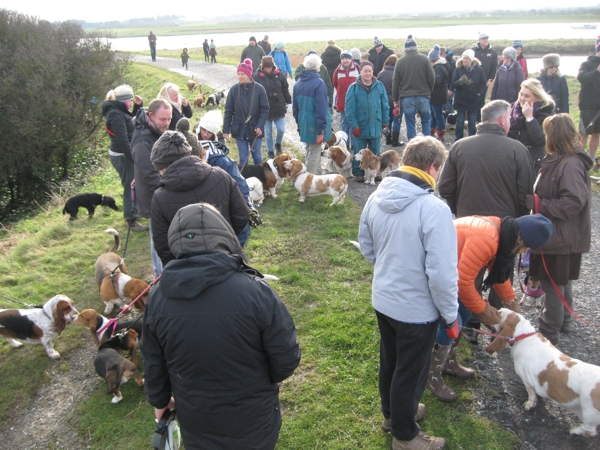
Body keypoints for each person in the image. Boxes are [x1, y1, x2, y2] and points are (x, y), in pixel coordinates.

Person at [142, 202, 300, 450]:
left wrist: (159, 401)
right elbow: (286, 357)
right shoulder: (256, 292)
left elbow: (153, 362)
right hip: (254, 421)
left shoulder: (157, 300)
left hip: (196, 422)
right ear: (224, 235)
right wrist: (272, 381)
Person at [358, 136, 457, 450]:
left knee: (391, 361)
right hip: (416, 309)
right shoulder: (434, 209)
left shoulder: (376, 196)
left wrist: (391, 269)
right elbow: (442, 276)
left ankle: (393, 415)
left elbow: (367, 246)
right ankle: (405, 436)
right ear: (432, 167)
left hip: (384, 298)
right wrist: (451, 315)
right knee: (410, 372)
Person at [426, 214, 552, 401]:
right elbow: (463, 282)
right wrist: (483, 310)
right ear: (521, 240)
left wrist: (511, 300)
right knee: (452, 321)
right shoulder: (487, 239)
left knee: (466, 310)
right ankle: (431, 374)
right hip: (435, 270)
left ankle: (448, 362)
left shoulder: (502, 234)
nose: (523, 253)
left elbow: (497, 273)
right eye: (526, 248)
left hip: (449, 273)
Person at [438, 100, 535, 344]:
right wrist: (518, 226)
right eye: (510, 120)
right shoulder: (518, 149)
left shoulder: (459, 146)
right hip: (506, 229)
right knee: (500, 274)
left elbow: (445, 186)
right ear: (502, 120)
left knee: (467, 276)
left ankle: (468, 325)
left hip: (467, 225)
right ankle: (498, 325)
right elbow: (526, 195)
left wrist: (460, 211)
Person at [527, 114, 592, 345]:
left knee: (552, 284)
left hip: (560, 235)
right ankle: (564, 322)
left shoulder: (570, 164)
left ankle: (547, 334)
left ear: (554, 136)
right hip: (560, 234)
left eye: (547, 133)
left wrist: (538, 205)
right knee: (561, 281)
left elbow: (573, 202)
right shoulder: (562, 160)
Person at [149, 131, 249, 266]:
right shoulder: (221, 176)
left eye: (159, 171)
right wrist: (224, 240)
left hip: (189, 271)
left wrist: (180, 266)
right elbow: (242, 215)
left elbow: (162, 246)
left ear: (164, 167)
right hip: (230, 261)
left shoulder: (159, 198)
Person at [131, 98, 173, 277]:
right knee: (159, 243)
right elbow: (150, 177)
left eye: (169, 119)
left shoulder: (157, 132)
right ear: (150, 116)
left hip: (164, 194)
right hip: (154, 199)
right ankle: (161, 279)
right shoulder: (142, 141)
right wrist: (174, 185)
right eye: (162, 119)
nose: (166, 123)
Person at [198, 111, 251, 247]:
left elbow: (240, 185)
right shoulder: (190, 149)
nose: (205, 134)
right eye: (203, 130)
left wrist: (245, 206)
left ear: (214, 134)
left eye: (209, 132)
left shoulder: (221, 160)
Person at [102, 85, 147, 231]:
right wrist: (134, 158)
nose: (131, 103)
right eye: (130, 100)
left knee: (132, 184)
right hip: (122, 155)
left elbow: (129, 121)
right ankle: (131, 220)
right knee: (130, 186)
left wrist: (138, 107)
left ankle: (134, 212)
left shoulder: (118, 111)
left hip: (125, 153)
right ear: (123, 101)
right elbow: (122, 141)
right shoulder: (115, 115)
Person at [345, 61, 389, 181]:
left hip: (376, 124)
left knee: (375, 150)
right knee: (359, 151)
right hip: (361, 126)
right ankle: (359, 172)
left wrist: (385, 122)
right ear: (360, 72)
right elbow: (349, 109)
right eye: (365, 71)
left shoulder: (379, 86)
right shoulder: (353, 88)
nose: (368, 73)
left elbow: (385, 105)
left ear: (373, 72)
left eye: (370, 71)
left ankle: (376, 171)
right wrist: (354, 126)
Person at [223, 59, 269, 165]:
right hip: (239, 129)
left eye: (242, 74)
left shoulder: (259, 89)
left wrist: (260, 126)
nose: (239, 76)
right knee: (243, 158)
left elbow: (265, 109)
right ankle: (244, 181)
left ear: (249, 74)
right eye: (238, 74)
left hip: (255, 129)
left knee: (257, 156)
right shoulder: (234, 90)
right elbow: (228, 111)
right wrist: (226, 130)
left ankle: (260, 180)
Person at [293, 53, 332, 174]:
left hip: (304, 121)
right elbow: (321, 107)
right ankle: (308, 178)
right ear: (318, 67)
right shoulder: (319, 83)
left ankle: (318, 175)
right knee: (314, 151)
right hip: (315, 122)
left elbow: (295, 108)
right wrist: (321, 128)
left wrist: (299, 122)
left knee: (309, 149)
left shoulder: (298, 83)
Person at [392, 35, 435, 141]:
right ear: (416, 47)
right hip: (423, 95)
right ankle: (428, 146)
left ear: (405, 48)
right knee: (425, 121)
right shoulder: (424, 59)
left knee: (410, 122)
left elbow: (395, 82)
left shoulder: (400, 62)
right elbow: (432, 77)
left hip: (407, 97)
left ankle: (412, 146)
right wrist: (428, 90)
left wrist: (395, 98)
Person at [508, 78, 555, 174]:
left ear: (537, 97)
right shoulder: (514, 110)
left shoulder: (546, 114)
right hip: (513, 158)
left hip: (533, 162)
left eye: (527, 96)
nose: (522, 98)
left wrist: (529, 118)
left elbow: (541, 141)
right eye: (521, 94)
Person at [254, 55, 292, 159]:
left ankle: (278, 144)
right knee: (267, 132)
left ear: (273, 65)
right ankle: (270, 151)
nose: (268, 69)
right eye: (266, 67)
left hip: (279, 107)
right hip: (265, 110)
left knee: (281, 129)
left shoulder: (279, 75)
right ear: (262, 66)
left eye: (269, 66)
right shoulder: (257, 77)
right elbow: (255, 94)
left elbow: (285, 89)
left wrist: (289, 102)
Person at [451, 49, 486, 141]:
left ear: (471, 59)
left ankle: (472, 139)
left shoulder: (479, 70)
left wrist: (479, 94)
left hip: (474, 99)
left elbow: (483, 83)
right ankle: (458, 139)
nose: (464, 60)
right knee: (460, 121)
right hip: (461, 99)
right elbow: (453, 84)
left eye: (467, 58)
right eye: (463, 58)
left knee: (472, 121)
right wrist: (460, 82)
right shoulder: (458, 69)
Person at [577, 37, 600, 159]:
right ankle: (579, 158)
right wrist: (597, 71)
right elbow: (581, 78)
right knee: (584, 133)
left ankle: (591, 157)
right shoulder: (587, 63)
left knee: (596, 134)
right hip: (587, 105)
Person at [377, 54, 402, 147]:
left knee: (388, 120)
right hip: (397, 101)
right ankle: (395, 141)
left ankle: (388, 139)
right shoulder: (399, 73)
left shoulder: (381, 74)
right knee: (397, 120)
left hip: (385, 100)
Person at [472, 32, 498, 121]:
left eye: (487, 39)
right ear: (479, 40)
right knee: (473, 98)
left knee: (481, 99)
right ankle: (472, 116)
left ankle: (480, 118)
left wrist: (490, 79)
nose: (486, 40)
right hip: (473, 80)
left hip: (485, 80)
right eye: (483, 39)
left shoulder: (492, 52)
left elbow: (494, 67)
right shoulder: (473, 51)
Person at [428, 45, 449, 142]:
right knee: (434, 114)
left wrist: (427, 79)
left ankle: (440, 132)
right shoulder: (440, 66)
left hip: (438, 95)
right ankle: (432, 131)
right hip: (436, 95)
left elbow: (436, 82)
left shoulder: (438, 68)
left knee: (438, 114)